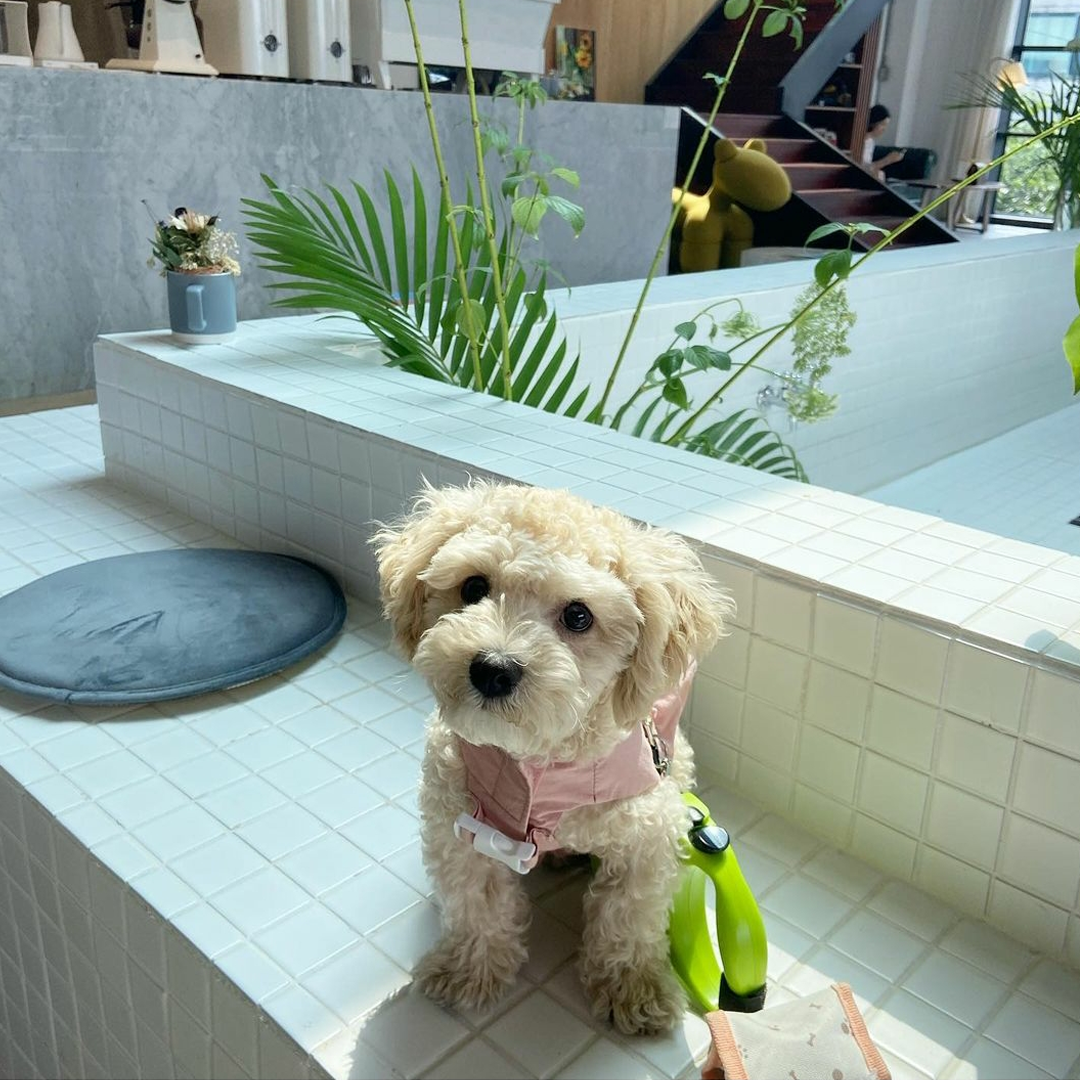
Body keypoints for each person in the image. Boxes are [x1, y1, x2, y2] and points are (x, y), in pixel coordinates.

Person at [863, 104, 905, 180]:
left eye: (886, 126)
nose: (884, 129)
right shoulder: (860, 140)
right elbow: (861, 168)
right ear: (873, 122)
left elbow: (869, 168)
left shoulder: (870, 142)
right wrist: (887, 160)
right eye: (883, 124)